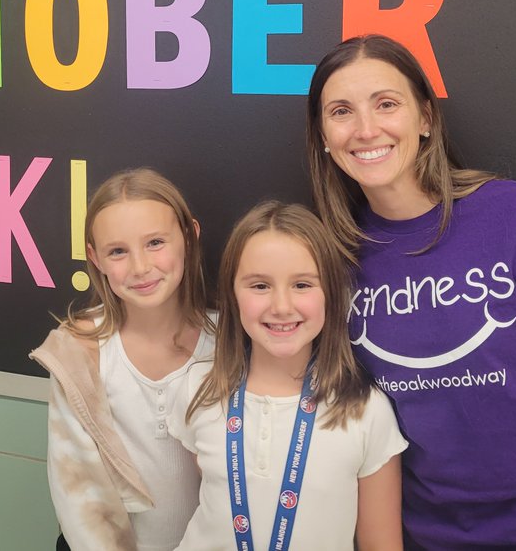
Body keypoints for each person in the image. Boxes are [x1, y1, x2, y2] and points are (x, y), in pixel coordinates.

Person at [306, 34, 516, 550]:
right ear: (324, 137)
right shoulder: (329, 261)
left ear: (425, 119)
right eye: (341, 112)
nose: (366, 129)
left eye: (386, 104)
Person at [170, 201, 406, 550]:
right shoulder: (199, 389)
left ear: (331, 293)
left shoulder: (364, 411)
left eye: (302, 285)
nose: (281, 306)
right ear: (232, 295)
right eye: (260, 286)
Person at [30, 168, 215, 551]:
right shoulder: (79, 352)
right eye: (118, 251)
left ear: (189, 237)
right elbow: (78, 497)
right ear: (95, 258)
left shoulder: (228, 343)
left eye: (155, 243)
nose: (140, 267)